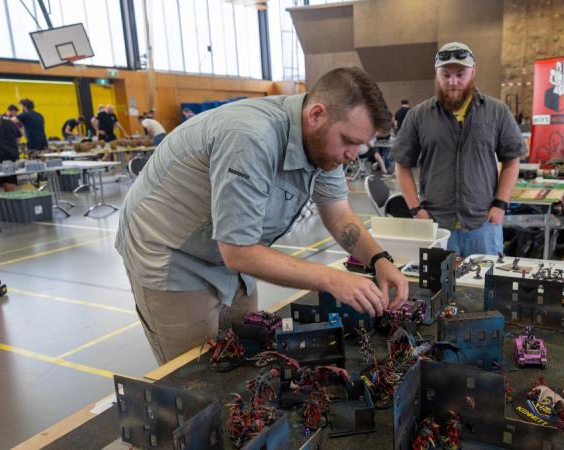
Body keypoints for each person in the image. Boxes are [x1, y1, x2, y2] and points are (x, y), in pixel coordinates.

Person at [115, 67, 409, 365]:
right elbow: (239, 253)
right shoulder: (251, 137)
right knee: (196, 372)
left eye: (360, 145)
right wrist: (333, 279)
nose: (352, 154)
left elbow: (338, 213)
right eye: (348, 140)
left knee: (248, 355)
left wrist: (378, 259)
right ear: (316, 114)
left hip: (230, 252)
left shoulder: (325, 145)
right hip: (172, 253)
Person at [392, 42, 525, 257]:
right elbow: (401, 165)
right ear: (437, 74)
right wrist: (417, 210)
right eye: (445, 75)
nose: (452, 82)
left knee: (485, 287)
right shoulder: (418, 116)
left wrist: (500, 205)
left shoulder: (496, 111)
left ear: (472, 73)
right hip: (437, 226)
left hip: (483, 225)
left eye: (460, 74)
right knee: (439, 289)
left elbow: (512, 160)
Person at [0, 113, 21, 192]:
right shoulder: (9, 121)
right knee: (9, 180)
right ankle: (10, 203)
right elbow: (18, 137)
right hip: (11, 156)